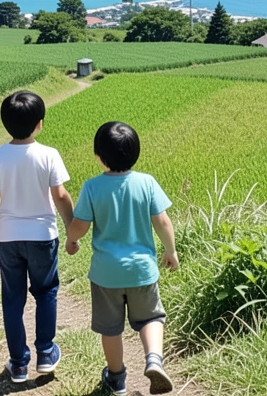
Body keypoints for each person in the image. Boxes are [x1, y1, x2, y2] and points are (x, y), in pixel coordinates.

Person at [66, 121, 178, 395]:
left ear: (99, 156)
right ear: (135, 153)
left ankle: (117, 378)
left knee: (111, 328)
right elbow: (162, 221)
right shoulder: (146, 183)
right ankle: (153, 359)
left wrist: (72, 238)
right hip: (142, 271)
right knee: (151, 318)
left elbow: (80, 226)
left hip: (106, 274)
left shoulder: (92, 187)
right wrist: (170, 251)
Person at [0, 90, 75, 383]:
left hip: (7, 237)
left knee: (12, 299)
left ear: (6, 123)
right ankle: (45, 353)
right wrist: (72, 232)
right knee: (46, 293)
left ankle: (18, 363)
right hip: (43, 235)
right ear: (39, 124)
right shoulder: (49, 155)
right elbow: (60, 195)